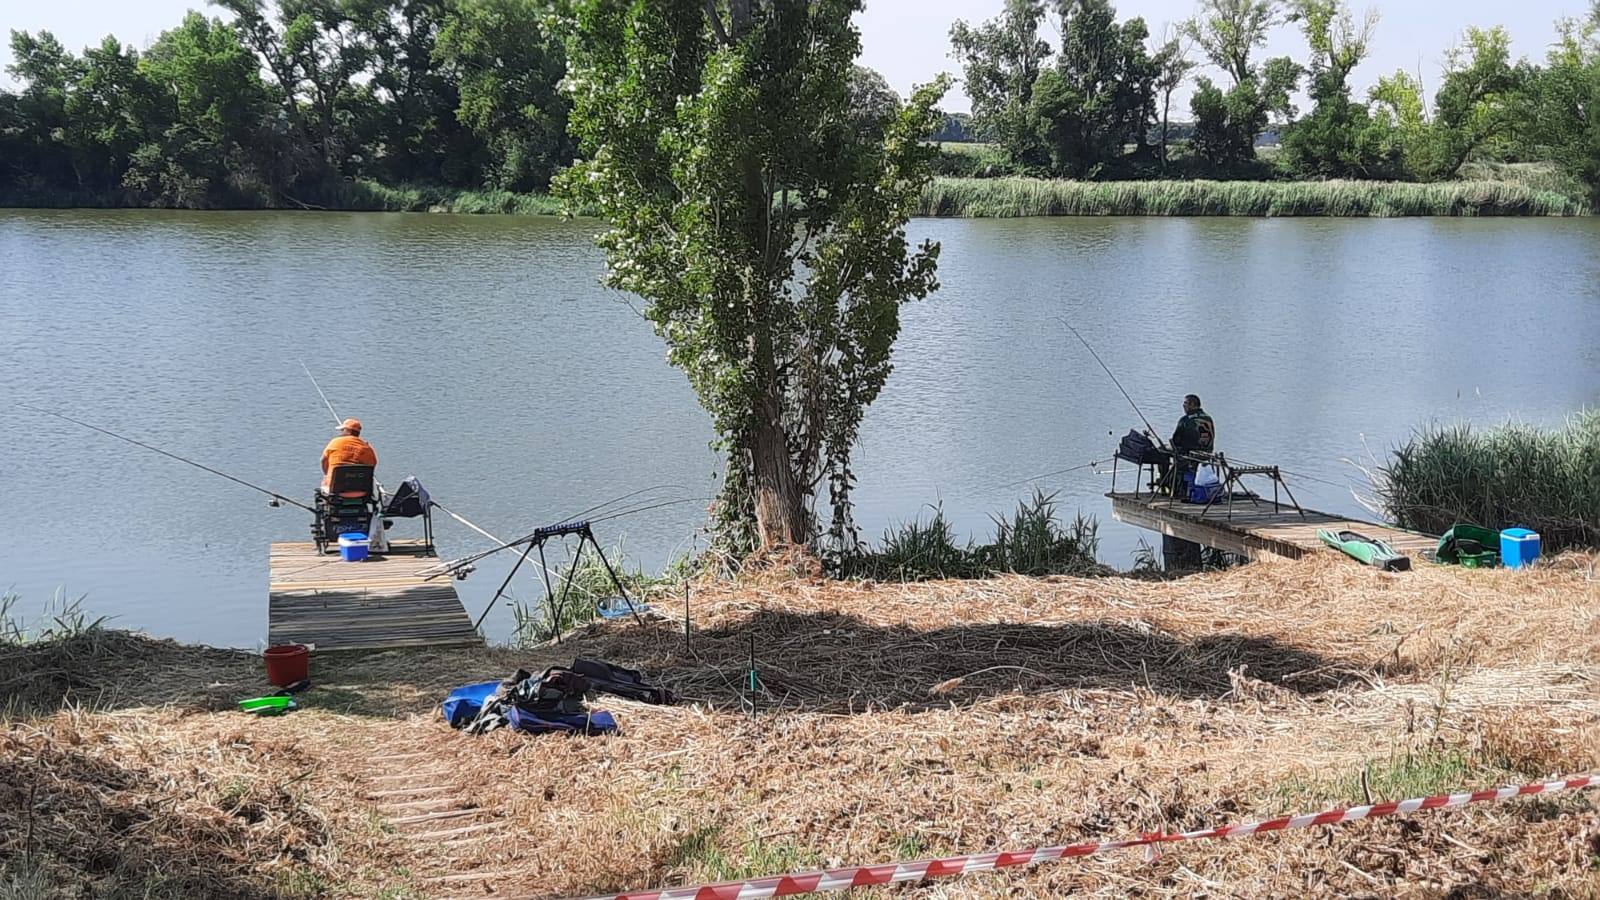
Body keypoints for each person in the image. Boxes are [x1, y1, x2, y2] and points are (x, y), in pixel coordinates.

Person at [1154, 394, 1215, 494]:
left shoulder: (1185, 420)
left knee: (1161, 450)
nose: (1183, 406)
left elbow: (1176, 440)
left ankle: (1165, 481)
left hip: (1189, 453)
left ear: (1192, 405)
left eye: (1185, 403)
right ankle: (1171, 480)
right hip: (1207, 451)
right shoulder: (1208, 418)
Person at [321, 418, 377, 493]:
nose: (341, 432)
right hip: (361, 493)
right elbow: (372, 465)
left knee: (323, 484)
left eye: (342, 430)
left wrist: (327, 475)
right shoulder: (366, 447)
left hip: (335, 491)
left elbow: (323, 460)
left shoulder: (335, 442)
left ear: (349, 431)